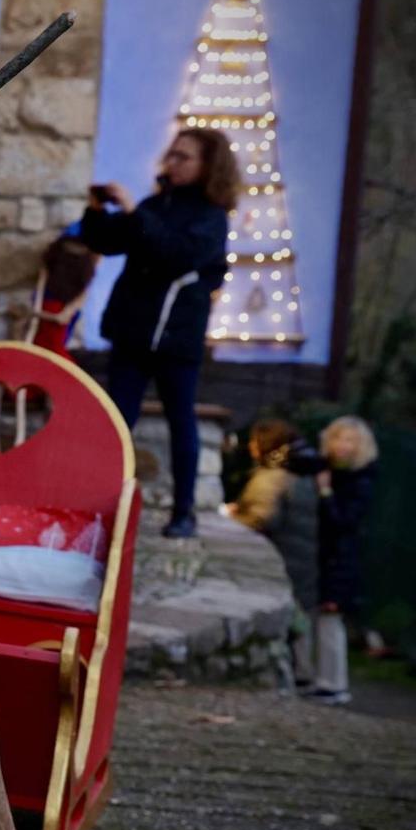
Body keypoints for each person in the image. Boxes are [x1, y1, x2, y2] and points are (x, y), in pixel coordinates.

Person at [80, 126, 236, 539]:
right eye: (172, 154)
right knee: (116, 420)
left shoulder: (212, 218)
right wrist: (97, 210)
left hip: (177, 338)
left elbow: (173, 254)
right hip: (133, 333)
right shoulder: (156, 204)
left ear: (208, 166)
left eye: (184, 157)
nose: (173, 162)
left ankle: (184, 513)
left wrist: (134, 214)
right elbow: (107, 241)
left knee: (179, 420)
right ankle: (99, 505)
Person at [282, 416, 380, 705]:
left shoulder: (360, 480)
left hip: (339, 561)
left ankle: (333, 683)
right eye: (338, 438)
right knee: (313, 619)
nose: (342, 446)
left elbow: (344, 522)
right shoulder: (327, 468)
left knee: (329, 621)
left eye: (350, 440)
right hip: (320, 557)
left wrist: (325, 492)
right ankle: (314, 677)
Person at [227, 418, 318, 694]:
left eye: (254, 442)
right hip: (301, 557)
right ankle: (304, 672)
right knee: (300, 619)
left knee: (292, 620)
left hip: (282, 556)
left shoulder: (271, 477)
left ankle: (299, 675)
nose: (251, 447)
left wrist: (231, 516)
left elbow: (262, 518)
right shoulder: (301, 475)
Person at [24, 227, 99, 357]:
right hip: (42, 343)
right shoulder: (50, 272)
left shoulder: (80, 287)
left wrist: (36, 313)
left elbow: (62, 318)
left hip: (53, 345)